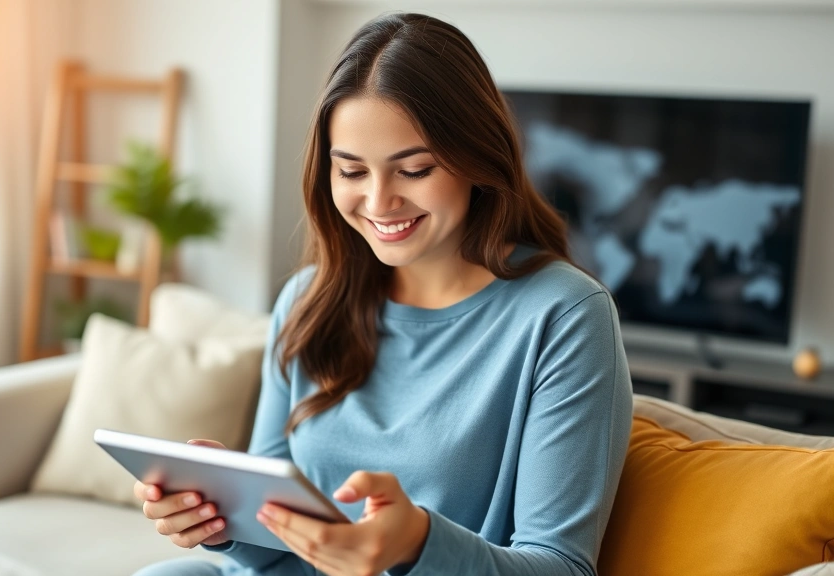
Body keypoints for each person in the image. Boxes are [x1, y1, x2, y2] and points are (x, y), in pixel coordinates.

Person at [131, 12, 633, 576]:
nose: (378, 202)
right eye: (351, 171)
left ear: (478, 159)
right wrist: (220, 521)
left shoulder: (564, 316)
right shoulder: (308, 300)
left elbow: (561, 566)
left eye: (413, 170)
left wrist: (417, 543)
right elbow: (276, 548)